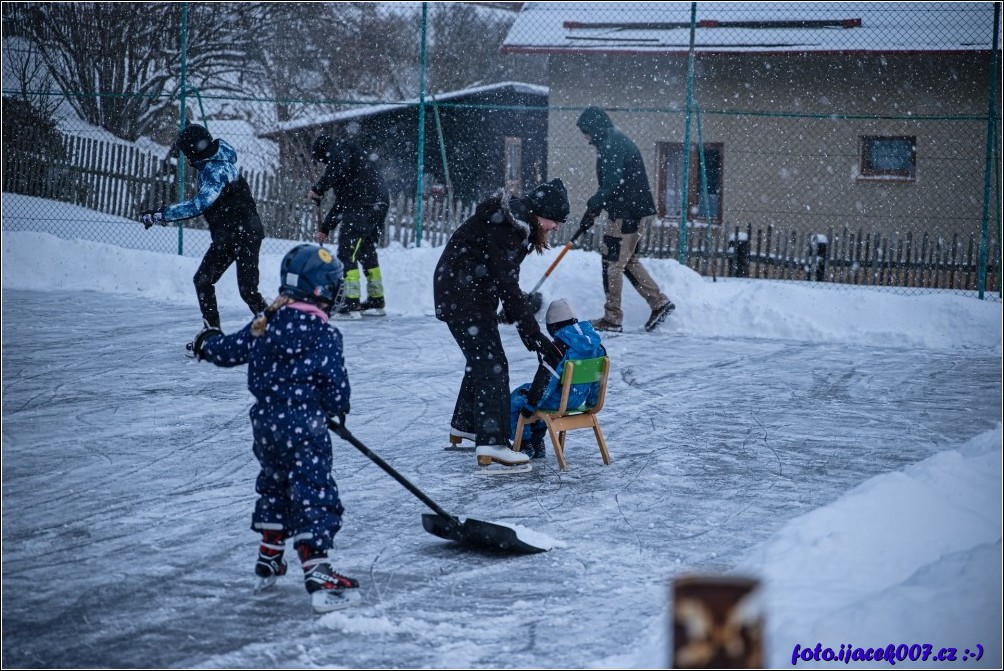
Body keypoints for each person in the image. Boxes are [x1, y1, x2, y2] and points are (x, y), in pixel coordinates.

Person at [189, 244, 358, 614]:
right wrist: (335, 409)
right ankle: (317, 568)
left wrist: (206, 343)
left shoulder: (266, 323)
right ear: (320, 289)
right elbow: (336, 388)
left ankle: (270, 555)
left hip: (267, 427)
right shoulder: (324, 333)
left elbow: (228, 351)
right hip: (304, 427)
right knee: (313, 489)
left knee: (275, 483)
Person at [433, 179, 569, 470]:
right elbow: (507, 283)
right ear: (541, 211)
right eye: (555, 220)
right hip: (462, 296)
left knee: (481, 360)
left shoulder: (515, 223)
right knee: (492, 365)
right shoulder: (508, 227)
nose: (556, 227)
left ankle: (467, 424)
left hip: (466, 293)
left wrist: (522, 315)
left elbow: (505, 281)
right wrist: (533, 334)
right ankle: (492, 443)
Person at [139, 123, 268, 340]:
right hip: (230, 235)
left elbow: (199, 204)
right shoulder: (211, 164)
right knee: (205, 280)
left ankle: (278, 331)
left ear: (193, 150)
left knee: (246, 290)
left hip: (243, 235)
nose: (186, 158)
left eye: (186, 152)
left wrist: (162, 214)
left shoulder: (217, 169)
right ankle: (212, 331)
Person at [576, 106, 676, 333]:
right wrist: (594, 210)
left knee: (612, 263)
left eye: (586, 132)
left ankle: (612, 319)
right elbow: (611, 185)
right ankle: (658, 302)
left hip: (625, 213)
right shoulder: (613, 141)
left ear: (595, 128)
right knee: (626, 260)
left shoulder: (612, 146)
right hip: (630, 211)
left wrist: (592, 208)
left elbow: (611, 184)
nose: (585, 137)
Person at [509, 298, 607, 459]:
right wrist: (592, 402)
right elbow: (598, 380)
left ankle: (526, 443)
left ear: (553, 327)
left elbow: (545, 384)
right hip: (577, 400)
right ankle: (538, 442)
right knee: (540, 397)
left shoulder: (559, 349)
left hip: (558, 401)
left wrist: (531, 405)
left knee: (517, 398)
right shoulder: (597, 347)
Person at [309, 132, 390, 319]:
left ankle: (350, 301)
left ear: (323, 151)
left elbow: (337, 168)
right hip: (379, 202)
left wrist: (319, 187)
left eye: (323, 160)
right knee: (365, 250)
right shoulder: (353, 168)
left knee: (347, 252)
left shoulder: (339, 148)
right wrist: (325, 228)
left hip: (363, 204)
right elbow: (342, 204)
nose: (324, 164)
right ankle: (376, 298)